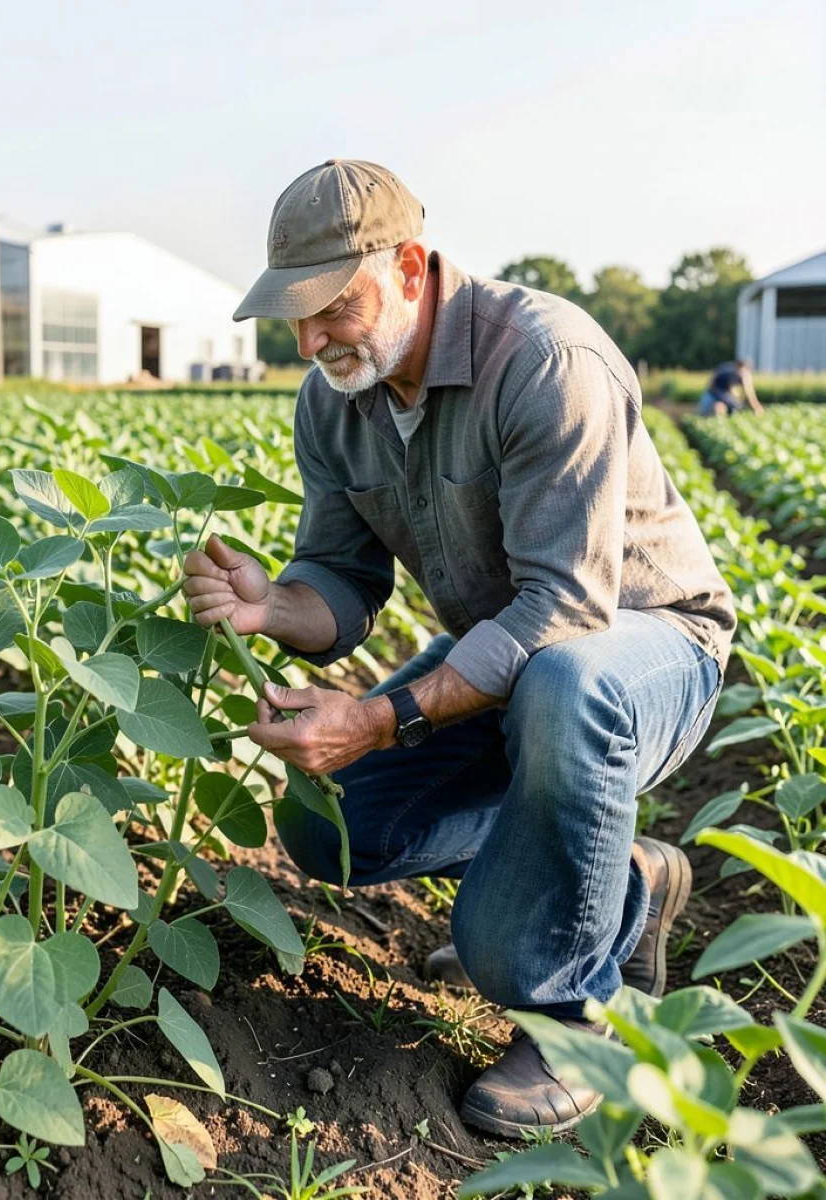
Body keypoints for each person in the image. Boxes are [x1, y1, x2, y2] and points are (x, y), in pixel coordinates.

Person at [183, 160, 736, 1138]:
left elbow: (565, 609)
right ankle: (612, 880)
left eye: (333, 307)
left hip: (644, 650)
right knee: (331, 827)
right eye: (294, 317)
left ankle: (574, 1020)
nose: (310, 342)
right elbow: (341, 582)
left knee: (561, 696)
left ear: (409, 267)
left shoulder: (545, 359)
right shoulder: (333, 399)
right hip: (509, 661)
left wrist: (380, 717)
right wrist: (272, 608)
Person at [697, 358, 764, 417]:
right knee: (734, 407)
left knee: (734, 406)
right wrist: (757, 407)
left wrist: (755, 406)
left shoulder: (739, 372)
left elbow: (748, 392)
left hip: (719, 392)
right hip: (715, 392)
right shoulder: (729, 371)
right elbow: (749, 393)